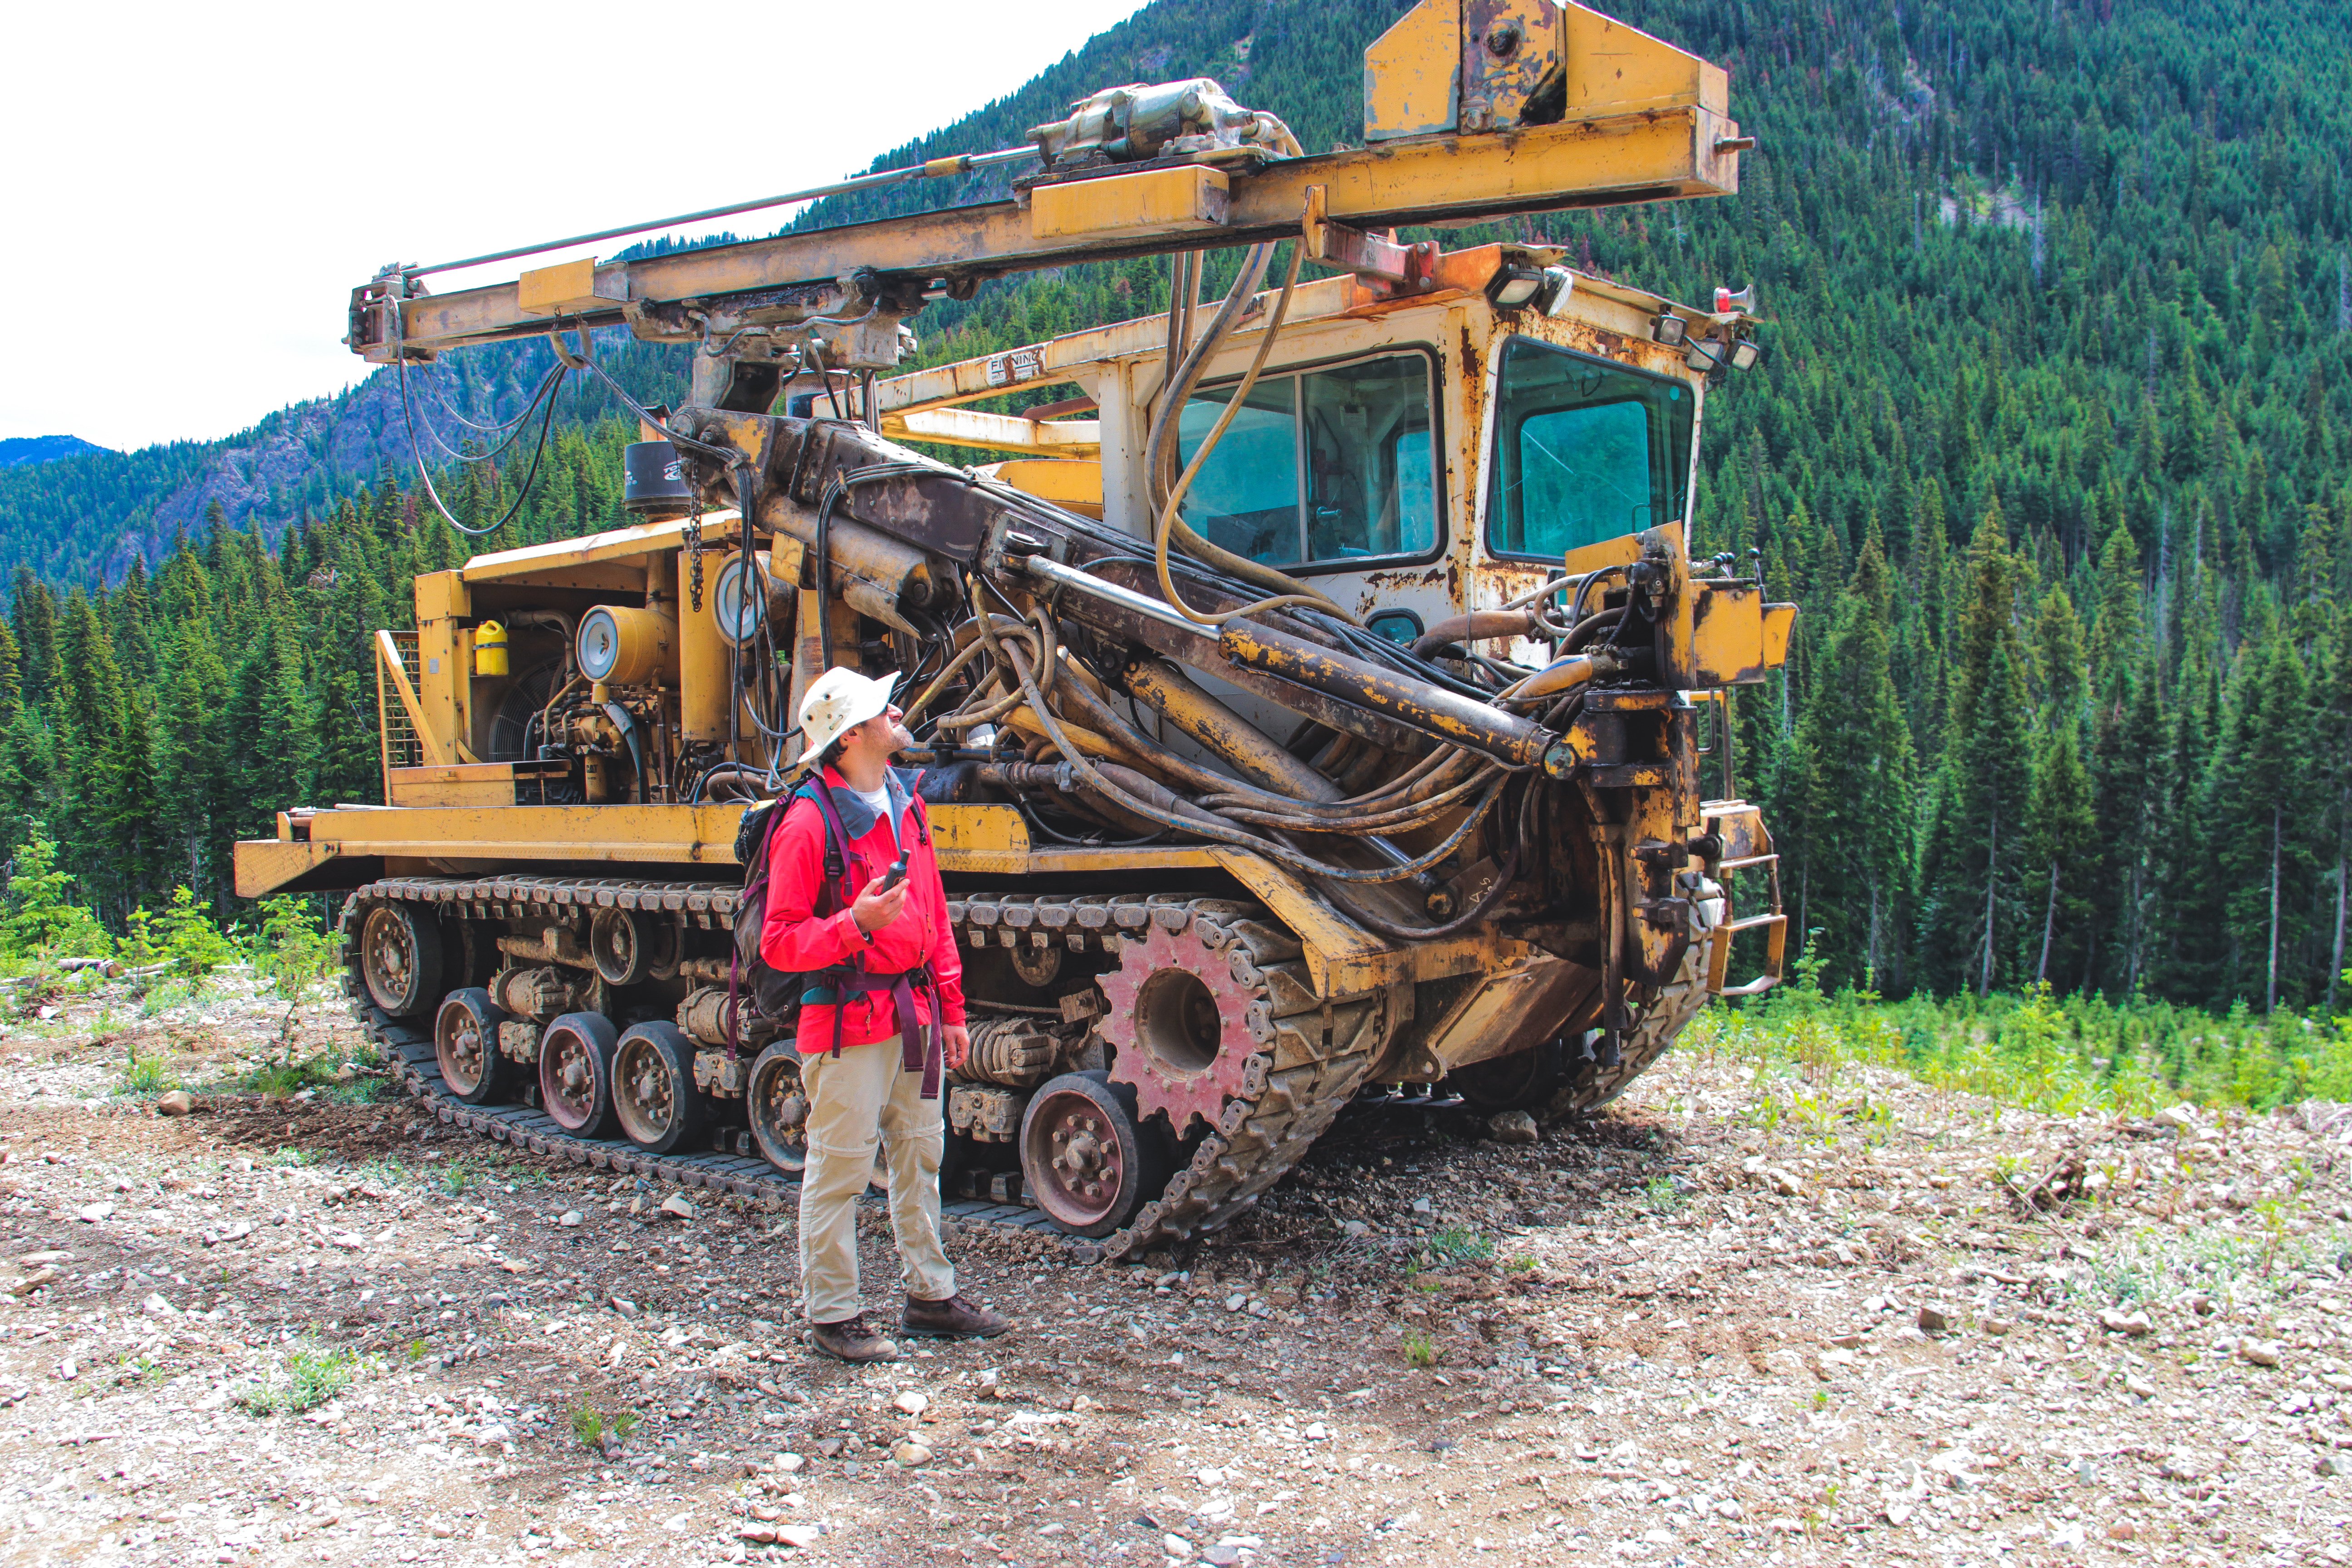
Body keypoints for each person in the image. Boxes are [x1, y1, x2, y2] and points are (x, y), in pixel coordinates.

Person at [759, 666, 1011, 1362]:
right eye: (881, 707)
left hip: (914, 1015)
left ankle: (930, 1297)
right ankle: (833, 1314)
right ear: (852, 736)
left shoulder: (906, 803)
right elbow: (777, 943)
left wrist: (953, 1009)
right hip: (844, 1023)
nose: (898, 711)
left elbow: (933, 914)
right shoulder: (807, 822)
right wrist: (854, 924)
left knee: (919, 1155)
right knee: (840, 1169)